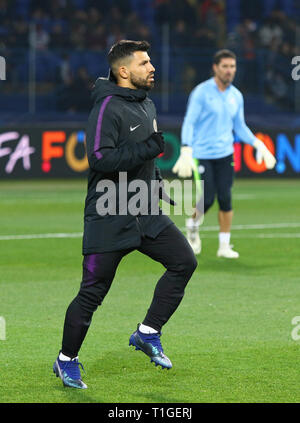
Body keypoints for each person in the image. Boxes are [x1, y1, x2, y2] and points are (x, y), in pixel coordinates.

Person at [53, 40, 197, 389]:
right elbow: (100, 159)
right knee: (92, 293)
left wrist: (157, 181)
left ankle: (147, 332)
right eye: (144, 62)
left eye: (150, 61)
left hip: (145, 210)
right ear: (123, 71)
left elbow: (143, 159)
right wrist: (149, 148)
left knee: (184, 261)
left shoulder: (146, 103)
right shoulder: (106, 107)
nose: (151, 67)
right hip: (110, 213)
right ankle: (66, 361)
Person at [172, 49, 276, 258]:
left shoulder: (236, 96)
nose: (229, 71)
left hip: (225, 154)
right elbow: (189, 122)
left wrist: (258, 144)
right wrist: (185, 148)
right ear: (215, 68)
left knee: (226, 198)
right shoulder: (201, 92)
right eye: (225, 66)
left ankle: (224, 246)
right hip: (201, 153)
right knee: (208, 198)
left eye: (232, 66)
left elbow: (240, 126)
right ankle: (192, 224)